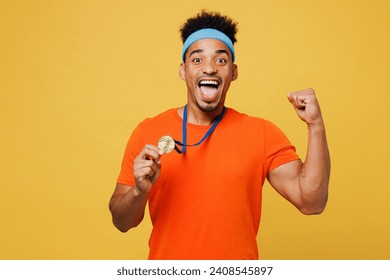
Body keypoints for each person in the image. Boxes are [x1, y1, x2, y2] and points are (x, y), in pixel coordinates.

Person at [109, 10, 330, 260]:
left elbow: (312, 202)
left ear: (233, 72)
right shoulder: (147, 132)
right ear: (183, 71)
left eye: (221, 60)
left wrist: (315, 125)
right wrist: (139, 191)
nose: (210, 69)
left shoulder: (261, 133)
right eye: (197, 60)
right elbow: (121, 221)